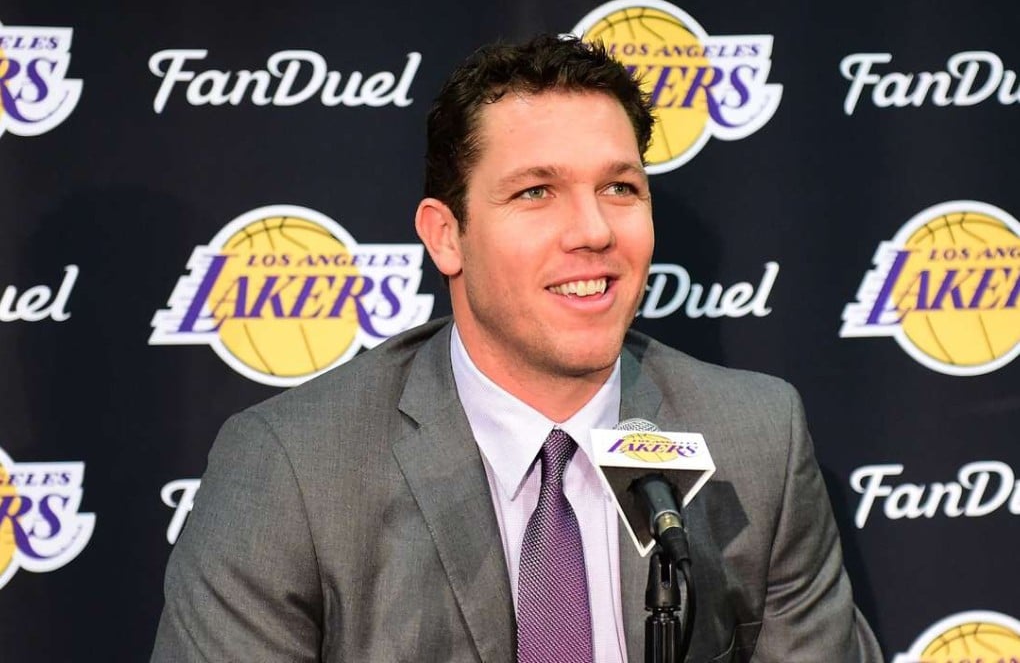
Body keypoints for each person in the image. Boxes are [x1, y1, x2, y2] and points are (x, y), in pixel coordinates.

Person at [151, 35, 882, 662]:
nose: (594, 230)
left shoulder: (756, 439)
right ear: (446, 235)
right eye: (536, 192)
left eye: (621, 187)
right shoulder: (293, 472)